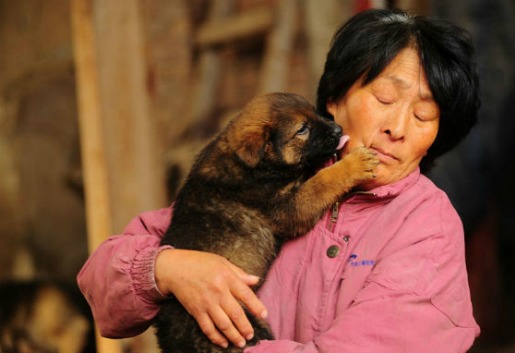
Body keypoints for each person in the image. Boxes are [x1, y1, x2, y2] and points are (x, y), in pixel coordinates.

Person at [77, 8, 481, 353]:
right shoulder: (268, 180)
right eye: (385, 100)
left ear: (437, 137)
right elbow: (103, 289)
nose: (397, 128)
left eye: (424, 116)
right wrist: (168, 267)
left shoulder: (428, 230)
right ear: (334, 101)